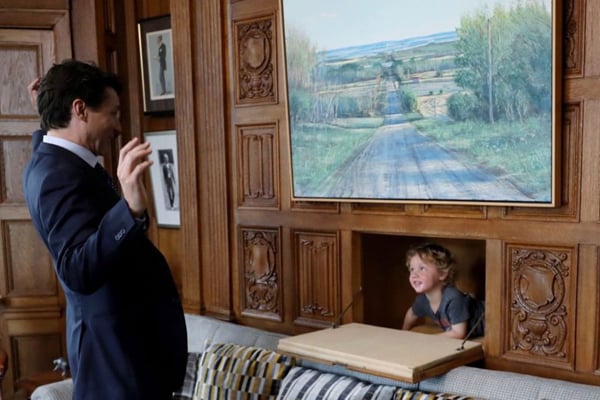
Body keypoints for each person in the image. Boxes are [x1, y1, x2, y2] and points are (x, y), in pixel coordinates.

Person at [22, 60, 187, 400]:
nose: (118, 125)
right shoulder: (57, 174)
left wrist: (45, 118)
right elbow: (76, 268)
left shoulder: (50, 158)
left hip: (127, 358)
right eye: (112, 114)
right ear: (80, 109)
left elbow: (47, 146)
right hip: (115, 364)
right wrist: (129, 210)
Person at [402, 243, 484, 339]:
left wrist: (427, 340)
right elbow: (411, 313)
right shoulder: (422, 300)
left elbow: (458, 333)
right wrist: (403, 333)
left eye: (422, 268)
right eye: (412, 269)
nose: (414, 274)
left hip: (492, 320)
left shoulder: (453, 299)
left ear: (442, 274)